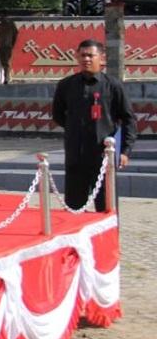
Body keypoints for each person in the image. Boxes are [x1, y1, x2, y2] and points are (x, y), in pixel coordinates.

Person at [52, 39, 137, 212]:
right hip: (76, 154)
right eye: (83, 55)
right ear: (77, 57)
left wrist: (125, 151)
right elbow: (58, 115)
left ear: (102, 59)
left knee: (106, 207)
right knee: (74, 207)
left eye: (91, 55)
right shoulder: (66, 85)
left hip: (103, 155)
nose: (86, 59)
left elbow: (129, 119)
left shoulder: (113, 86)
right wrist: (75, 129)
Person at [0, 10, 18, 84]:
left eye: (2, 16)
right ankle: (7, 76)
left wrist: (12, 44)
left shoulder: (11, 25)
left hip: (8, 46)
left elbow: (15, 35)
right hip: (2, 46)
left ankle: (6, 78)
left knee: (7, 62)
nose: (1, 18)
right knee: (3, 62)